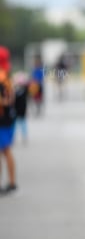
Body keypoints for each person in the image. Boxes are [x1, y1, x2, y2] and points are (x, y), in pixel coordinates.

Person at [0, 46, 17, 195]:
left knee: (5, 151)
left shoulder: (2, 77)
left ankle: (11, 183)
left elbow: (6, 100)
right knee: (5, 151)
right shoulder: (7, 76)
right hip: (8, 119)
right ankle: (11, 182)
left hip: (2, 120)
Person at [13, 71, 29, 144]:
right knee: (15, 125)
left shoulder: (25, 91)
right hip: (16, 110)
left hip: (21, 110)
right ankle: (14, 137)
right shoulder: (15, 91)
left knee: (22, 124)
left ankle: (24, 136)